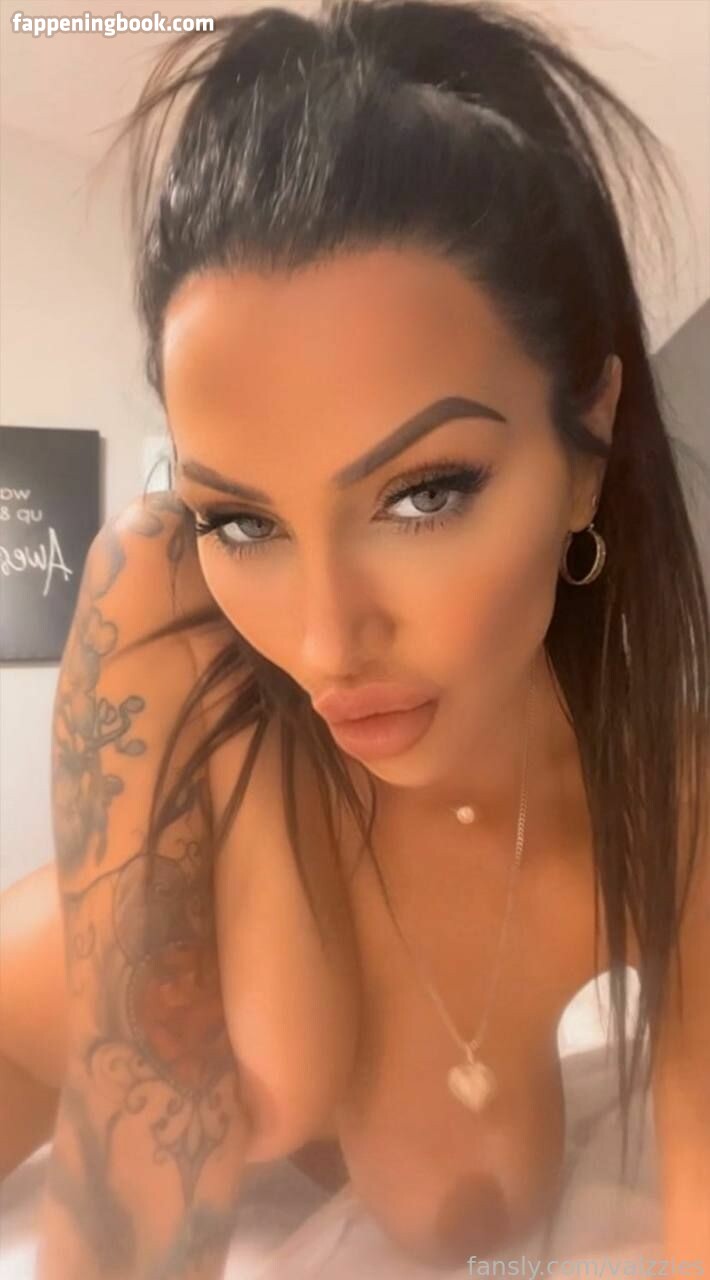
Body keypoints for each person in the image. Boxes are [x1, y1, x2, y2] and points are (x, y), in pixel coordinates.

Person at [1, 1, 708, 1276]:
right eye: (242, 519)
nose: (326, 639)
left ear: (587, 444)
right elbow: (138, 1160)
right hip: (27, 1033)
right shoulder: (164, 588)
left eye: (423, 494)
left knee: (472, 1182)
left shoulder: (667, 797)